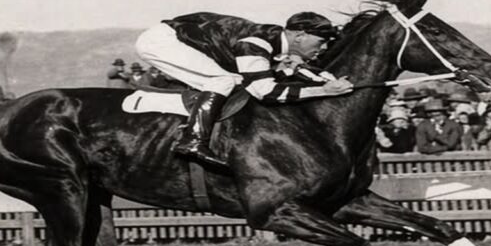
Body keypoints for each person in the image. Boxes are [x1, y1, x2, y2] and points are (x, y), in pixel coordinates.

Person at [135, 11, 352, 167]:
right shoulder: (257, 43)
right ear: (299, 36)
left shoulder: (277, 41)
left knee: (232, 79)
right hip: (161, 41)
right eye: (322, 41)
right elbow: (265, 92)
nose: (324, 48)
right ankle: (192, 141)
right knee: (223, 80)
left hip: (181, 36)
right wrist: (323, 91)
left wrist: (326, 80)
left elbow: (295, 69)